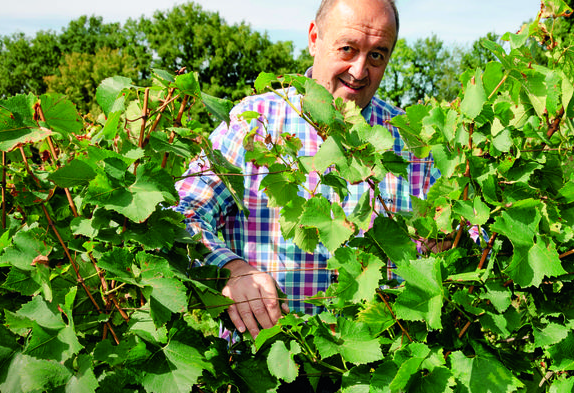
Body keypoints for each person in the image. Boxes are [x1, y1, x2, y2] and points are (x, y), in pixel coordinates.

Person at [175, 0, 434, 339]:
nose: (359, 70)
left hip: (383, 371)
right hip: (267, 358)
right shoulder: (254, 122)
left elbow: (464, 234)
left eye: (376, 55)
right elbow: (182, 214)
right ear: (314, 38)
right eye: (348, 49)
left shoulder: (407, 139)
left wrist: (444, 243)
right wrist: (229, 269)